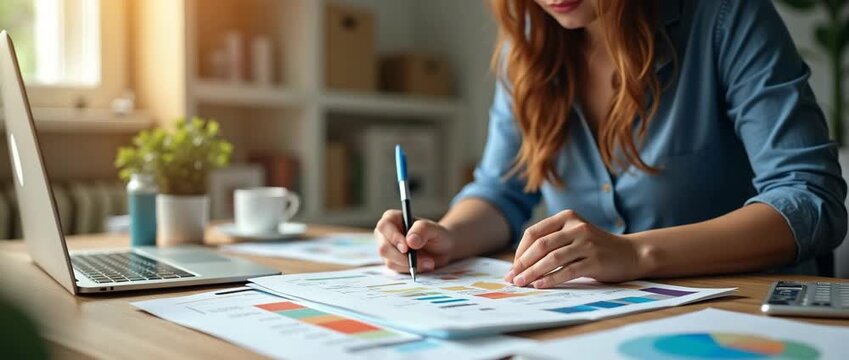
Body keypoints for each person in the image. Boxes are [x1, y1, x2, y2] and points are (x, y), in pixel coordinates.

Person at [374, 0, 847, 288]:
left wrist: (635, 254)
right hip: (603, 322)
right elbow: (501, 192)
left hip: (742, 316)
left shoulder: (726, 16)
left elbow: (809, 200)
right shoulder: (528, 49)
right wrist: (447, 237)